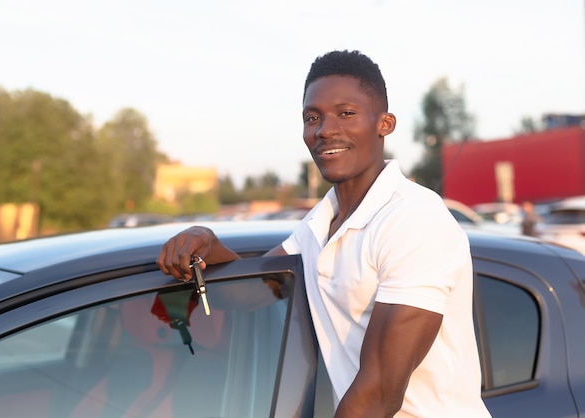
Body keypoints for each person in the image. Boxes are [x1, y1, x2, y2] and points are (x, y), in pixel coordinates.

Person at [157, 50, 491, 417]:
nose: (324, 130)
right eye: (312, 117)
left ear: (385, 123)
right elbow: (254, 294)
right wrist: (207, 240)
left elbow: (379, 393)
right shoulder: (320, 223)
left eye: (345, 113)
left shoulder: (413, 219)